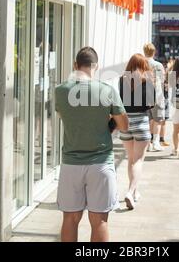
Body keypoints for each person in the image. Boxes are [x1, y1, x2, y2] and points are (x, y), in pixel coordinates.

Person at [55, 47, 129, 242]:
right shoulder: (107, 90)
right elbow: (124, 125)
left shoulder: (61, 91)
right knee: (100, 221)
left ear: (75, 65)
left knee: (70, 219)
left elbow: (66, 118)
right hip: (101, 163)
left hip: (71, 164)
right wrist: (109, 122)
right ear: (96, 66)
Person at [119, 54, 155, 210]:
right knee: (139, 160)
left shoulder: (122, 79)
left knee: (131, 159)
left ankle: (134, 191)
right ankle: (130, 191)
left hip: (125, 122)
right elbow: (151, 103)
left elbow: (119, 99)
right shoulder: (147, 80)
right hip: (140, 121)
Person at [143, 43, 166, 152]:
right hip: (157, 95)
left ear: (144, 51)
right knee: (157, 120)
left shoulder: (141, 64)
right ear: (154, 52)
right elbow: (162, 80)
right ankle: (156, 142)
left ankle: (147, 144)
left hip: (143, 96)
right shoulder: (158, 65)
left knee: (147, 120)